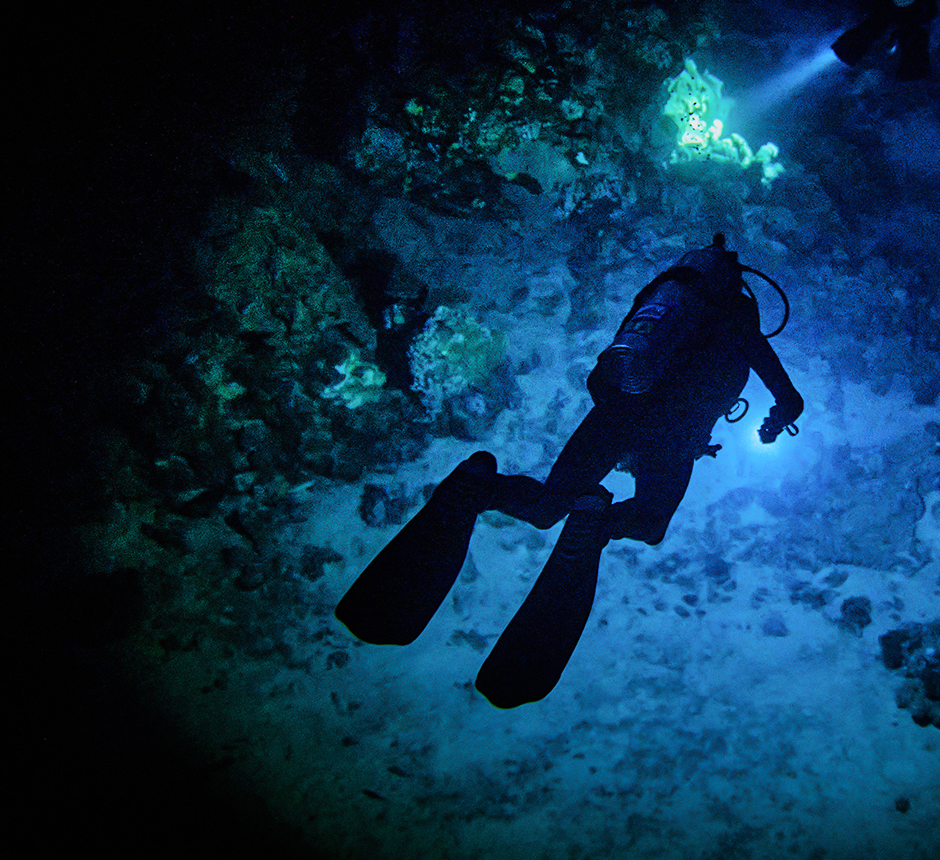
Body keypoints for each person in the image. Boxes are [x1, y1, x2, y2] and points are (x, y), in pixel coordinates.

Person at [336, 235, 804, 708]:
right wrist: (782, 412)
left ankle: (477, 488)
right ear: (736, 284)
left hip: (616, 413)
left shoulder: (661, 298)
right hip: (674, 435)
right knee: (648, 521)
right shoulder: (735, 312)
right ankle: (592, 523)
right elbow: (783, 391)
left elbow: (618, 364)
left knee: (544, 506)